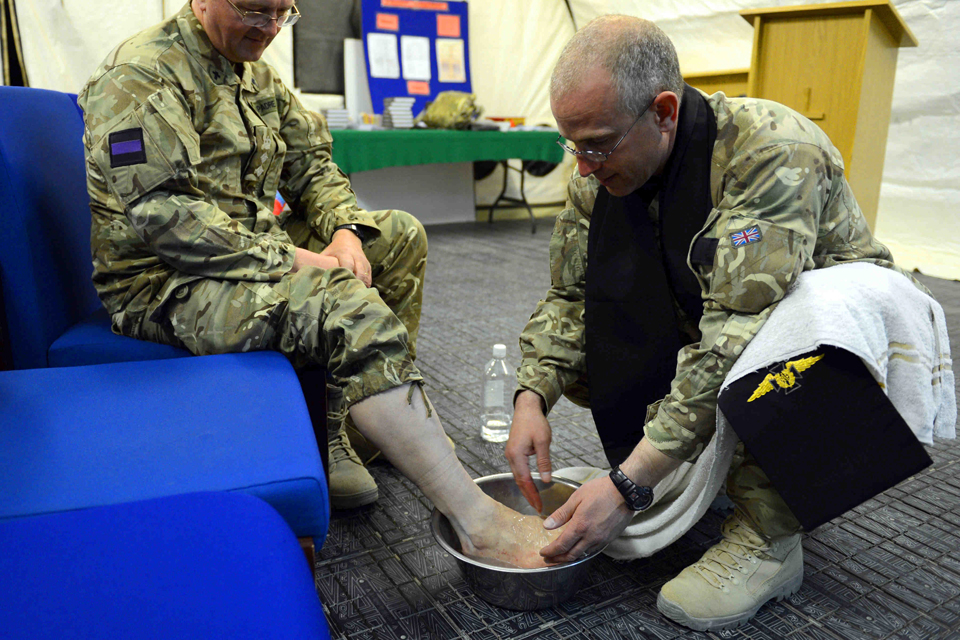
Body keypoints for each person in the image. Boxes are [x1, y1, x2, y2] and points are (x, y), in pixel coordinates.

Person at [505, 14, 932, 631]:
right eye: (572, 145)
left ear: (664, 112)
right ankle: (707, 468)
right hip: (711, 317)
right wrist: (529, 396)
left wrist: (628, 485)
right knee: (606, 325)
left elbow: (737, 332)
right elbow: (571, 297)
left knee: (797, 326)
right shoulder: (595, 179)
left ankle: (769, 537)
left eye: (598, 144)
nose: (585, 166)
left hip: (813, 340)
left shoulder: (773, 151)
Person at [78, 0, 425, 511]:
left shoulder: (255, 76)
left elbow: (313, 167)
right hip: (163, 283)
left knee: (396, 236)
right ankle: (321, 431)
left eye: (283, 13)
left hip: (251, 251)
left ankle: (359, 411)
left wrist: (347, 233)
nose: (269, 29)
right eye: (254, 11)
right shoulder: (139, 74)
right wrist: (295, 261)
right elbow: (165, 217)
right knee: (328, 290)